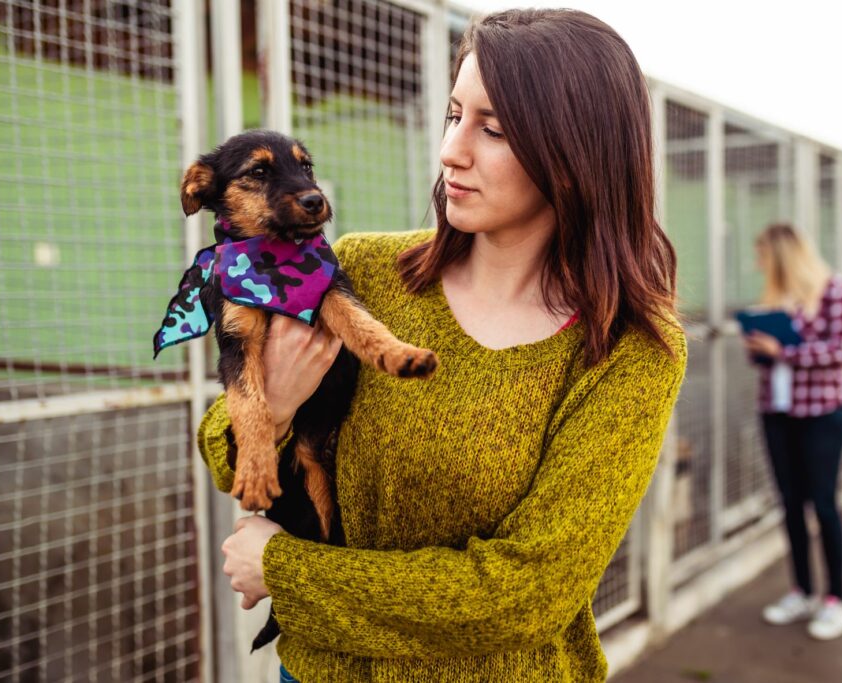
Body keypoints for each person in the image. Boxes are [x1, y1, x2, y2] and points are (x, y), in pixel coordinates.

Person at [200, 9, 687, 681]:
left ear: (574, 155)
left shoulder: (629, 349)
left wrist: (285, 566)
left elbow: (526, 592)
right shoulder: (364, 273)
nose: (451, 150)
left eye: (492, 129)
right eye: (455, 115)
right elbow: (227, 456)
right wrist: (274, 407)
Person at [742, 222, 842, 641]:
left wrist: (785, 351)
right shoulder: (775, 300)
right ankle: (803, 591)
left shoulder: (835, 290)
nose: (758, 265)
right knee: (790, 504)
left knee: (823, 504)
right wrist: (759, 350)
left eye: (762, 257)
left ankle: (836, 600)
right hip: (777, 412)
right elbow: (768, 362)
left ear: (780, 256)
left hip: (823, 413)